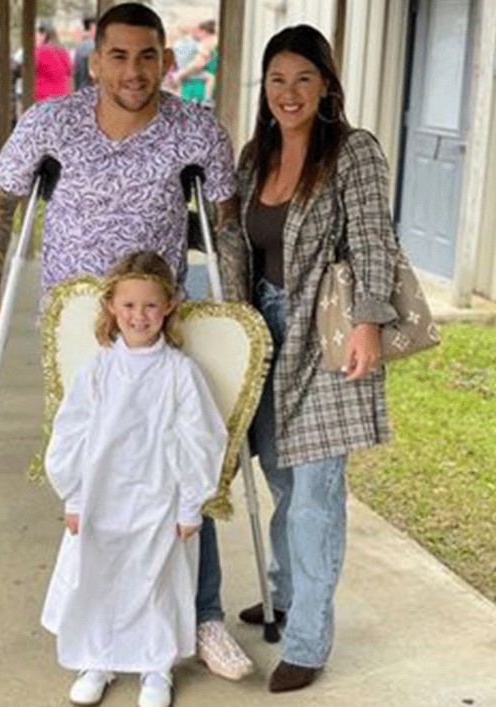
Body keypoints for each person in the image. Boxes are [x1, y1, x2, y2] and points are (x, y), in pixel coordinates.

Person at [0, 2, 253, 682]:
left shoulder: (195, 128)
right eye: (118, 55)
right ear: (94, 62)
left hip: (157, 325)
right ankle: (97, 623)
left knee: (180, 458)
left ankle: (202, 613)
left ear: (165, 59)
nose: (133, 70)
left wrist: (235, 313)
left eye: (147, 55)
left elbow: (225, 223)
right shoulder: (52, 121)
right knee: (94, 470)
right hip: (75, 329)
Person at [217, 25, 399, 692]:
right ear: (263, 87)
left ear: (325, 84)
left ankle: (307, 640)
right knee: (282, 478)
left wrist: (367, 322)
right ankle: (286, 593)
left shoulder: (352, 151)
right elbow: (236, 242)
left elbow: (374, 238)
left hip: (326, 328)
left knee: (315, 493)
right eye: (277, 79)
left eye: (302, 78)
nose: (288, 92)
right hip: (264, 331)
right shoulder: (253, 155)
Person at [43, 251, 226, 707]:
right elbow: (72, 432)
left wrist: (190, 504)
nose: (138, 316)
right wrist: (74, 497)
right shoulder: (99, 370)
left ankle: (155, 666)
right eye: (128, 305)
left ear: (169, 306)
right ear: (111, 306)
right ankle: (97, 658)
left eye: (149, 305)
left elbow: (201, 439)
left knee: (155, 579)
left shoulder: (180, 373)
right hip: (102, 494)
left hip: (159, 495)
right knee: (100, 575)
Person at [170, 20, 218, 105]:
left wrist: (179, 75)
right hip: (213, 87)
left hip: (197, 86)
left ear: (203, 31)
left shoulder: (206, 43)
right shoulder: (218, 42)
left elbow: (198, 63)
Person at [34, 23, 72, 101]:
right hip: (63, 95)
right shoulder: (63, 50)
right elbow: (70, 70)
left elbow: (30, 69)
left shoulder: (40, 51)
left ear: (45, 35)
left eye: (39, 34)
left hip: (44, 96)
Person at [72, 16, 96, 91]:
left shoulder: (80, 46)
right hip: (90, 90)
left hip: (80, 90)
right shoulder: (92, 46)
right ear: (92, 27)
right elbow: (93, 74)